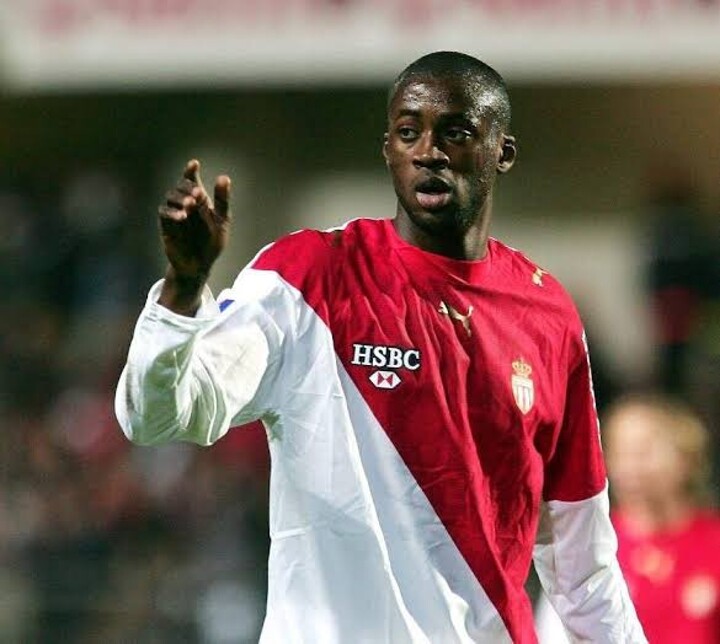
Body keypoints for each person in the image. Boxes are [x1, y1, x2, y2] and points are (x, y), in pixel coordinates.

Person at [115, 51, 646, 643]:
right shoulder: (306, 279)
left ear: (503, 152)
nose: (429, 151)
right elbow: (159, 417)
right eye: (409, 132)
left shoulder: (548, 316)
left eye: (456, 133)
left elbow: (583, 566)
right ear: (388, 148)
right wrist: (184, 289)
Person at [535, 393, 720, 643]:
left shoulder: (714, 541)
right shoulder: (585, 547)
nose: (630, 466)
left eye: (643, 451)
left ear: (686, 456)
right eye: (619, 452)